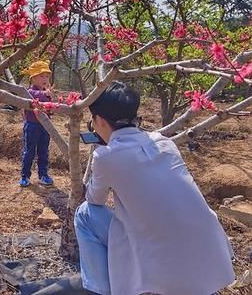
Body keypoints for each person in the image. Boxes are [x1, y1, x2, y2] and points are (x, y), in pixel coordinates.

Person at [74, 81, 235, 295]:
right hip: (209, 253)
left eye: (92, 122)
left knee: (84, 214)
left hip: (165, 264)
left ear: (100, 121)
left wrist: (103, 160)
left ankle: (100, 289)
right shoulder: (165, 142)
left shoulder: (105, 156)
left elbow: (95, 200)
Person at [18, 60, 54, 187]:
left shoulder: (47, 92)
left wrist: (49, 97)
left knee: (44, 151)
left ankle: (43, 175)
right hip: (32, 126)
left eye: (47, 76)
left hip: (45, 126)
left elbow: (49, 107)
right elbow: (35, 96)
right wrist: (45, 94)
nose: (45, 79)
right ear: (33, 78)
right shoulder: (29, 92)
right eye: (41, 76)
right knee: (29, 151)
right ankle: (25, 175)